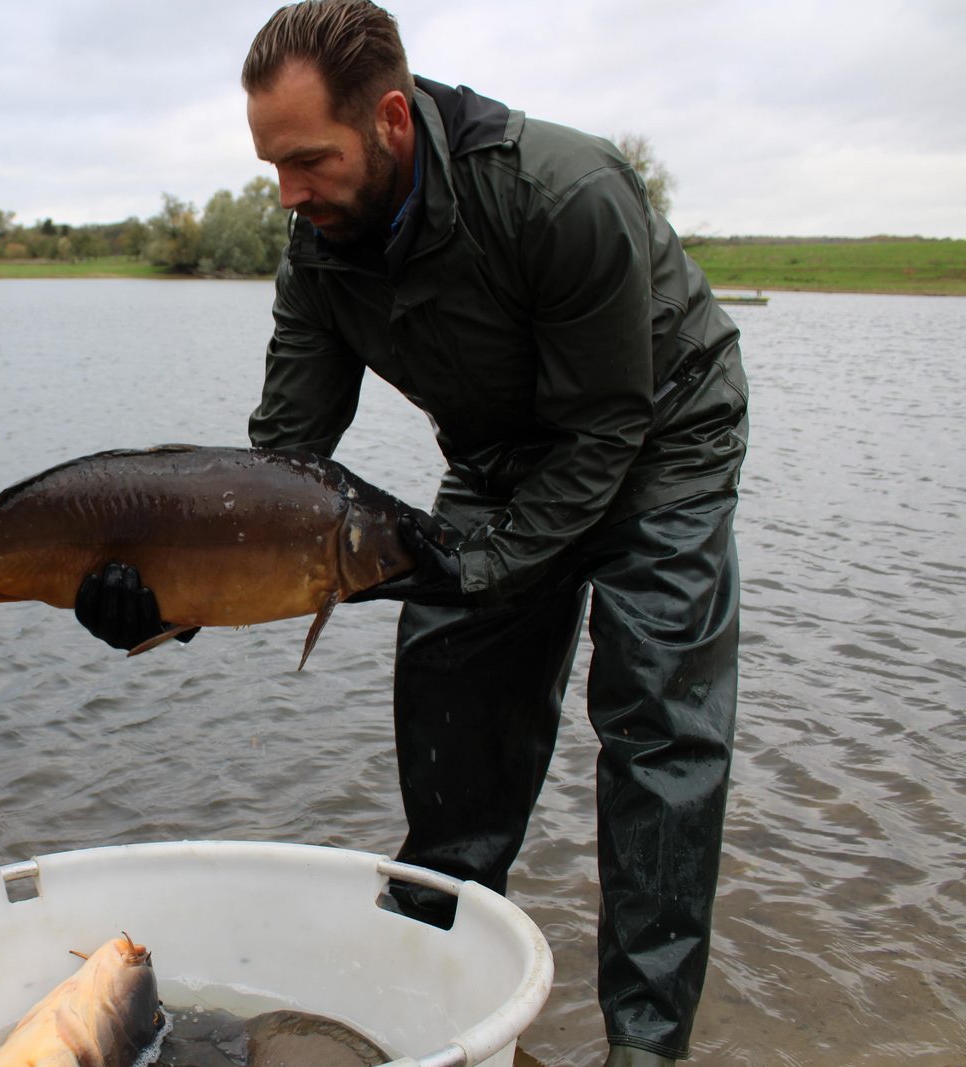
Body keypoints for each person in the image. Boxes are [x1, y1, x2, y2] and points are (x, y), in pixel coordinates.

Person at [76, 2, 747, 1063]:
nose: (288, 194)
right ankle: (436, 1013)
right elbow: (276, 472)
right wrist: (168, 598)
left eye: (307, 161)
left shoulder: (566, 194)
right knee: (455, 741)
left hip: (661, 438)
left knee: (657, 734)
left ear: (390, 119)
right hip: (498, 460)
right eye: (272, 166)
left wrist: (476, 561)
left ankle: (645, 1048)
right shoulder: (318, 249)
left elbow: (605, 425)